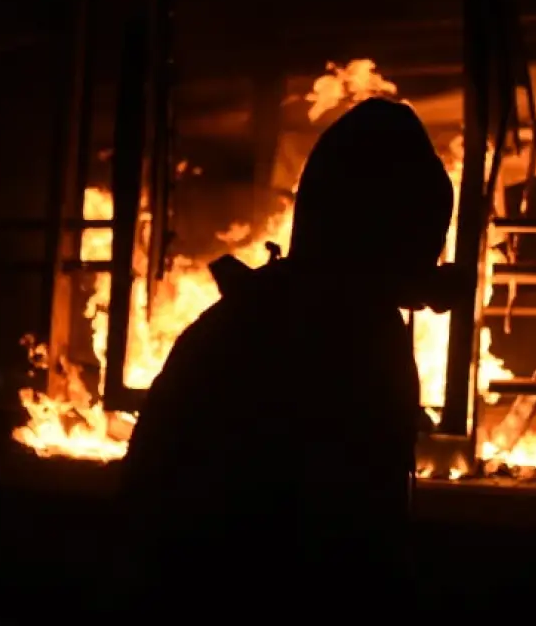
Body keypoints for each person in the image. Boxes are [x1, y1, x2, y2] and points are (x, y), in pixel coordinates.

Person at [120, 98, 457, 608]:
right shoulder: (352, 339)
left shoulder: (249, 315)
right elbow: (354, 547)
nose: (432, 257)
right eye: (424, 235)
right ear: (387, 232)